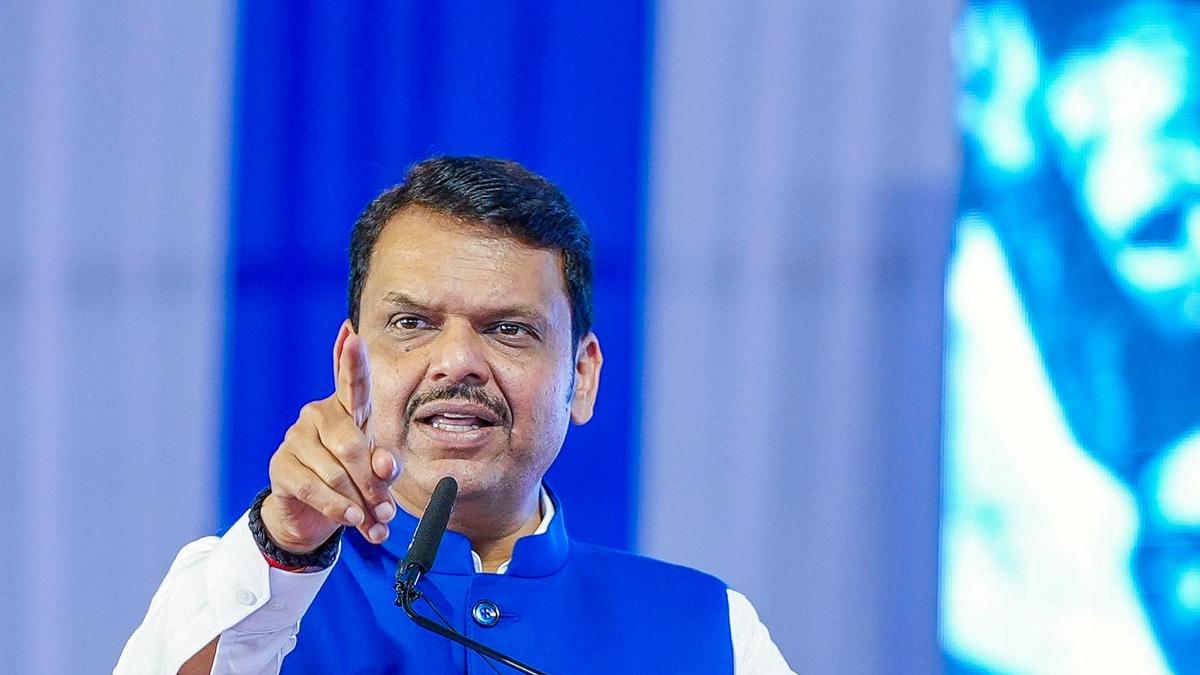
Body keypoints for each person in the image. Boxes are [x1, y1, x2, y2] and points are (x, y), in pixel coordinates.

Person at [116, 156, 794, 674]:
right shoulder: (238, 589)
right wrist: (284, 546)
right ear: (351, 367)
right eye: (412, 322)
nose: (458, 361)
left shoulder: (710, 632)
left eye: (509, 329)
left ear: (582, 378)